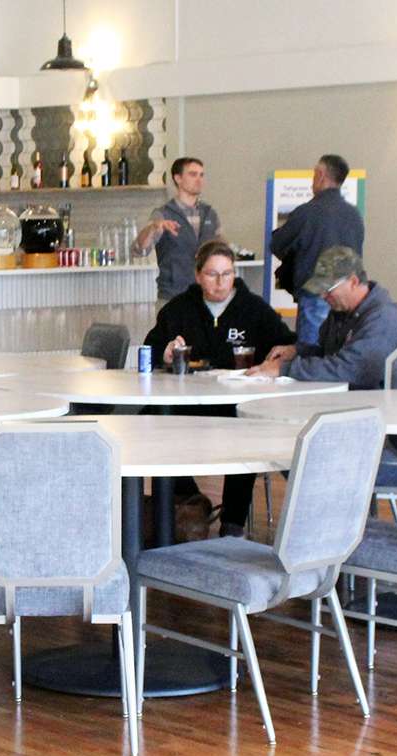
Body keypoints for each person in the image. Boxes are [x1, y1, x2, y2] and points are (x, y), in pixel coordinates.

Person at [144, 240, 296, 535]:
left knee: (249, 433)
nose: (220, 282)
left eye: (227, 274)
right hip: (187, 404)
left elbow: (287, 343)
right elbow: (149, 349)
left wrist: (281, 356)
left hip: (238, 405)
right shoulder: (178, 310)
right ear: (198, 275)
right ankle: (190, 499)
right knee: (151, 420)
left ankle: (232, 523)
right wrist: (164, 351)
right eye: (213, 274)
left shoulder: (254, 309)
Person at [250, 246, 397, 389]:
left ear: (353, 282)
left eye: (328, 289)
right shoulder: (340, 311)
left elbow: (353, 369)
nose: (323, 296)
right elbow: (329, 354)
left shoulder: (383, 317)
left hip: (374, 406)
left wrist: (284, 369)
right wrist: (297, 351)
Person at [270, 154, 364, 347]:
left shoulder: (307, 212)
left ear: (321, 175)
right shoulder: (354, 215)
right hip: (349, 298)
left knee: (311, 354)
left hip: (316, 295)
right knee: (338, 353)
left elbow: (277, 244)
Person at [135, 157, 223, 301]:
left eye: (202, 175)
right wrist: (153, 227)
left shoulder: (210, 214)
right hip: (172, 296)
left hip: (206, 296)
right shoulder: (163, 213)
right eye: (193, 174)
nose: (199, 180)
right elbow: (139, 250)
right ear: (178, 178)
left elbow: (221, 249)